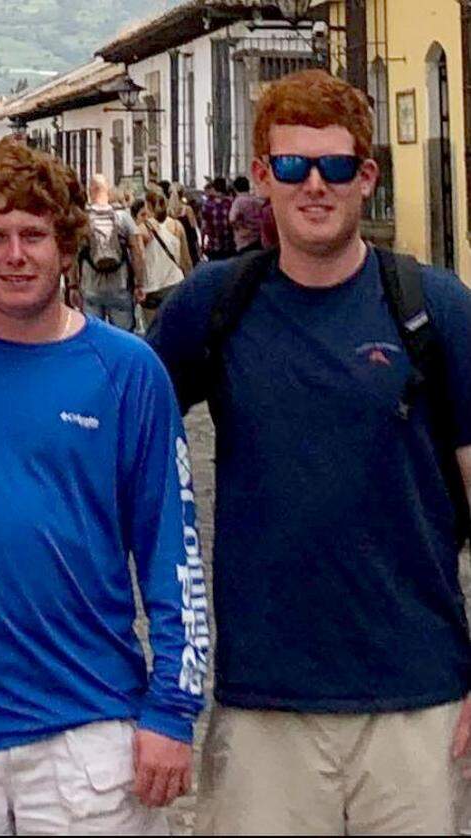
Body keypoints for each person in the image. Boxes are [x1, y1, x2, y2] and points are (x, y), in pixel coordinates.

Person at [147, 68, 471, 834]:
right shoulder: (215, 305)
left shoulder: (435, 307)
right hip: (267, 699)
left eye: (334, 166)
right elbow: (107, 400)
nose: (313, 185)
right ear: (263, 175)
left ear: (367, 177)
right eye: (292, 166)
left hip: (418, 697)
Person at [0, 137, 207, 835]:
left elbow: (172, 552)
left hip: (86, 733)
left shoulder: (127, 372)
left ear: (68, 247)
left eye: (34, 234)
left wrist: (174, 710)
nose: (16, 254)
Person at [81, 173, 145, 332]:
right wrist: (139, 283)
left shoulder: (83, 219)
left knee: (93, 334)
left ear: (90, 191)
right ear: (108, 191)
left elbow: (75, 253)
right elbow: (138, 252)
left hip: (91, 285)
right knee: (124, 336)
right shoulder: (123, 217)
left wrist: (73, 285)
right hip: (120, 285)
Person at [139, 189, 192, 324]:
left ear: (148, 206)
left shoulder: (143, 229)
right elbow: (186, 260)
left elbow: (138, 259)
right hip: (175, 284)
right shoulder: (176, 226)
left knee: (153, 333)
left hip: (152, 288)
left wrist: (137, 284)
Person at [200, 177, 234, 262]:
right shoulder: (231, 203)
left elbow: (204, 227)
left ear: (214, 188)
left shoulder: (207, 205)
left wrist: (202, 243)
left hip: (213, 247)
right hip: (229, 246)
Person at [228, 175, 264, 254]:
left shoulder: (238, 201)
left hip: (244, 241)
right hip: (258, 239)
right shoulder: (257, 201)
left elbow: (232, 219)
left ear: (235, 188)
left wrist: (239, 228)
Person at [169, 183, 200, 267]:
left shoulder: (169, 212)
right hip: (189, 245)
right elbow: (193, 229)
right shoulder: (187, 210)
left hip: (174, 245)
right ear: (182, 194)